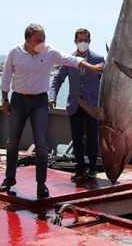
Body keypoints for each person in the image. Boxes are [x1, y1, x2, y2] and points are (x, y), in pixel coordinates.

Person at [0, 24, 104, 198]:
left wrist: (92, 68)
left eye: (43, 39)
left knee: (41, 143)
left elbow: (71, 60)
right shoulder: (14, 52)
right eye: (38, 40)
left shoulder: (49, 52)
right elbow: (6, 76)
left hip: (40, 101)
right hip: (18, 100)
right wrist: (4, 99)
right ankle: (9, 178)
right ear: (28, 40)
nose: (42, 43)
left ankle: (41, 184)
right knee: (13, 141)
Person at [49, 28, 105, 181]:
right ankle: (79, 168)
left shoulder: (99, 58)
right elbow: (57, 79)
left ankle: (92, 168)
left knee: (93, 137)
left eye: (85, 40)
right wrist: (52, 97)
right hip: (75, 104)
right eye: (80, 40)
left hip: (93, 105)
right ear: (75, 41)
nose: (83, 43)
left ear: (90, 41)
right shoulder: (68, 59)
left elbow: (107, 83)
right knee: (76, 137)